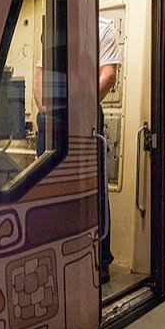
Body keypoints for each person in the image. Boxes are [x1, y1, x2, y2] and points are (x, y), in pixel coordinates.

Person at [34, 16, 120, 281]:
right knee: (49, 186)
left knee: (91, 187)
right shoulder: (55, 25)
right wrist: (45, 109)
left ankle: (100, 258)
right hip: (53, 116)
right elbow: (39, 72)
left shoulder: (102, 27)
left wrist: (79, 108)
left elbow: (109, 74)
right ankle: (58, 254)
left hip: (84, 116)